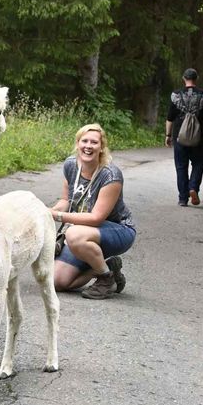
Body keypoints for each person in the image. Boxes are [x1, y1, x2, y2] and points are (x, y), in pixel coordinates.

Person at [49, 123, 136, 300]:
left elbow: (96, 218)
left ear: (102, 147)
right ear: (77, 143)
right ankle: (108, 268)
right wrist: (46, 211)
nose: (88, 146)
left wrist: (57, 216)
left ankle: (105, 279)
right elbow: (66, 201)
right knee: (56, 281)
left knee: (73, 234)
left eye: (94, 142)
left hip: (117, 230)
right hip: (82, 232)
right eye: (84, 141)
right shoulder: (70, 165)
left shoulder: (111, 174)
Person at [165, 68, 203, 206]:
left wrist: (168, 135)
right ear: (196, 78)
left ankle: (183, 198)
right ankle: (193, 187)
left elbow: (170, 118)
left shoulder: (176, 95)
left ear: (184, 78)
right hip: (198, 138)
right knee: (198, 164)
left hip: (180, 137)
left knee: (181, 166)